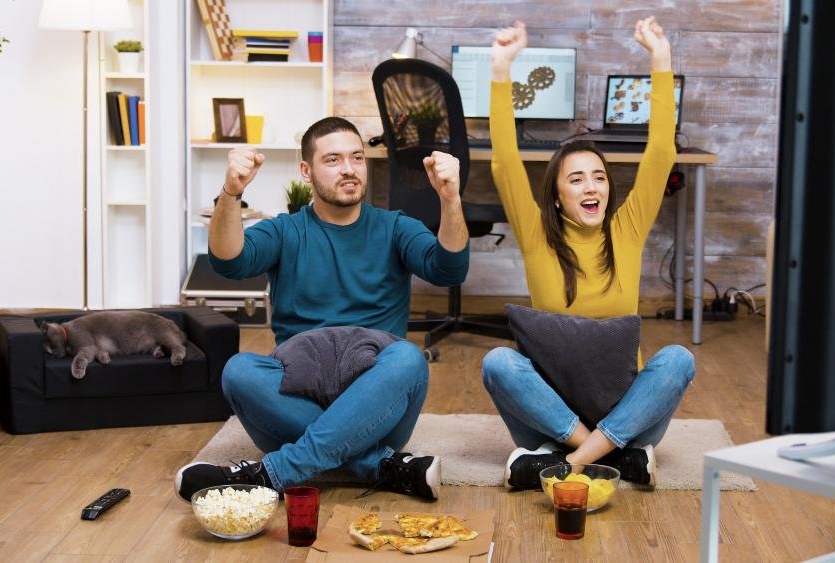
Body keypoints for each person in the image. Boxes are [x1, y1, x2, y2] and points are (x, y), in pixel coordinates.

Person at [174, 117, 470, 501]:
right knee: (238, 371)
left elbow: (449, 269)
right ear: (306, 171)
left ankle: (271, 474)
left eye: (357, 158)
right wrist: (230, 194)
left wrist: (450, 198)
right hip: (295, 396)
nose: (349, 169)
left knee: (408, 360)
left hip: (377, 399)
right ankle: (378, 464)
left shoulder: (396, 227)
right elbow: (229, 262)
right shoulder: (285, 230)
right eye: (332, 159)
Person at [483, 18, 695, 490]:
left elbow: (660, 152)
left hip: (624, 413)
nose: (591, 185)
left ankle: (568, 462)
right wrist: (501, 68)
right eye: (576, 178)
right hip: (551, 416)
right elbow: (503, 160)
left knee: (678, 358)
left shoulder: (628, 228)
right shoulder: (537, 232)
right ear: (556, 196)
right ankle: (604, 455)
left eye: (598, 176)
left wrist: (659, 59)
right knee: (498, 362)